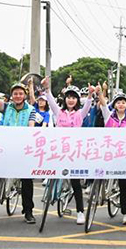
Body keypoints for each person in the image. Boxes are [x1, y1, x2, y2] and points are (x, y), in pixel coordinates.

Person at [0, 76, 37, 223]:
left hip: (23, 149)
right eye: (15, 93)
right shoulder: (7, 107)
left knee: (27, 181)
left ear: (25, 95)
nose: (18, 96)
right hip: (5, 147)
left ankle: (28, 211)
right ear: (12, 96)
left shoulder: (31, 110)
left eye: (21, 93)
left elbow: (31, 127)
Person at [43, 76, 94, 225]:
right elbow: (51, 100)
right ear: (65, 99)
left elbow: (88, 106)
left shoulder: (80, 114)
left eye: (74, 98)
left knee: (75, 183)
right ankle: (53, 196)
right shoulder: (59, 112)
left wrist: (90, 95)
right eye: (68, 97)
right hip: (59, 151)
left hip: (74, 154)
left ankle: (80, 212)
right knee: (52, 176)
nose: (71, 100)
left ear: (78, 100)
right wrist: (47, 88)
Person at [100, 89, 126, 225]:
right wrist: (100, 93)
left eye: (123, 102)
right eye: (118, 102)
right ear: (114, 105)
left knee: (123, 185)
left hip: (123, 156)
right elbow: (103, 105)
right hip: (108, 153)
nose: (121, 104)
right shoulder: (109, 117)